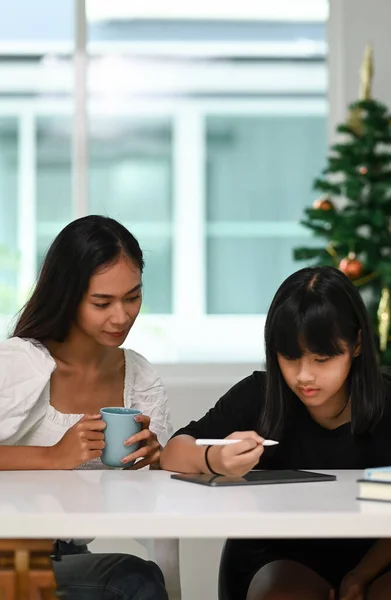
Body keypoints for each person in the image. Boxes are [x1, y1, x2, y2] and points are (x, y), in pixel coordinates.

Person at [161, 266, 391, 600]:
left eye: (322, 359)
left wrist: (360, 575)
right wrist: (215, 458)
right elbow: (173, 452)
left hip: (376, 552)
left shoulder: (386, 406)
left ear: (356, 344)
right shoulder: (260, 394)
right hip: (275, 555)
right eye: (290, 357)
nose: (304, 376)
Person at [0, 215, 172, 600]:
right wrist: (53, 456)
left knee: (140, 578)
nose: (122, 316)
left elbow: (149, 498)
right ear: (68, 295)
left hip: (66, 555)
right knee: (136, 581)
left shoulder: (139, 378)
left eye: (133, 297)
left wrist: (156, 460)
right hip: (10, 552)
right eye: (102, 302)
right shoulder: (16, 365)